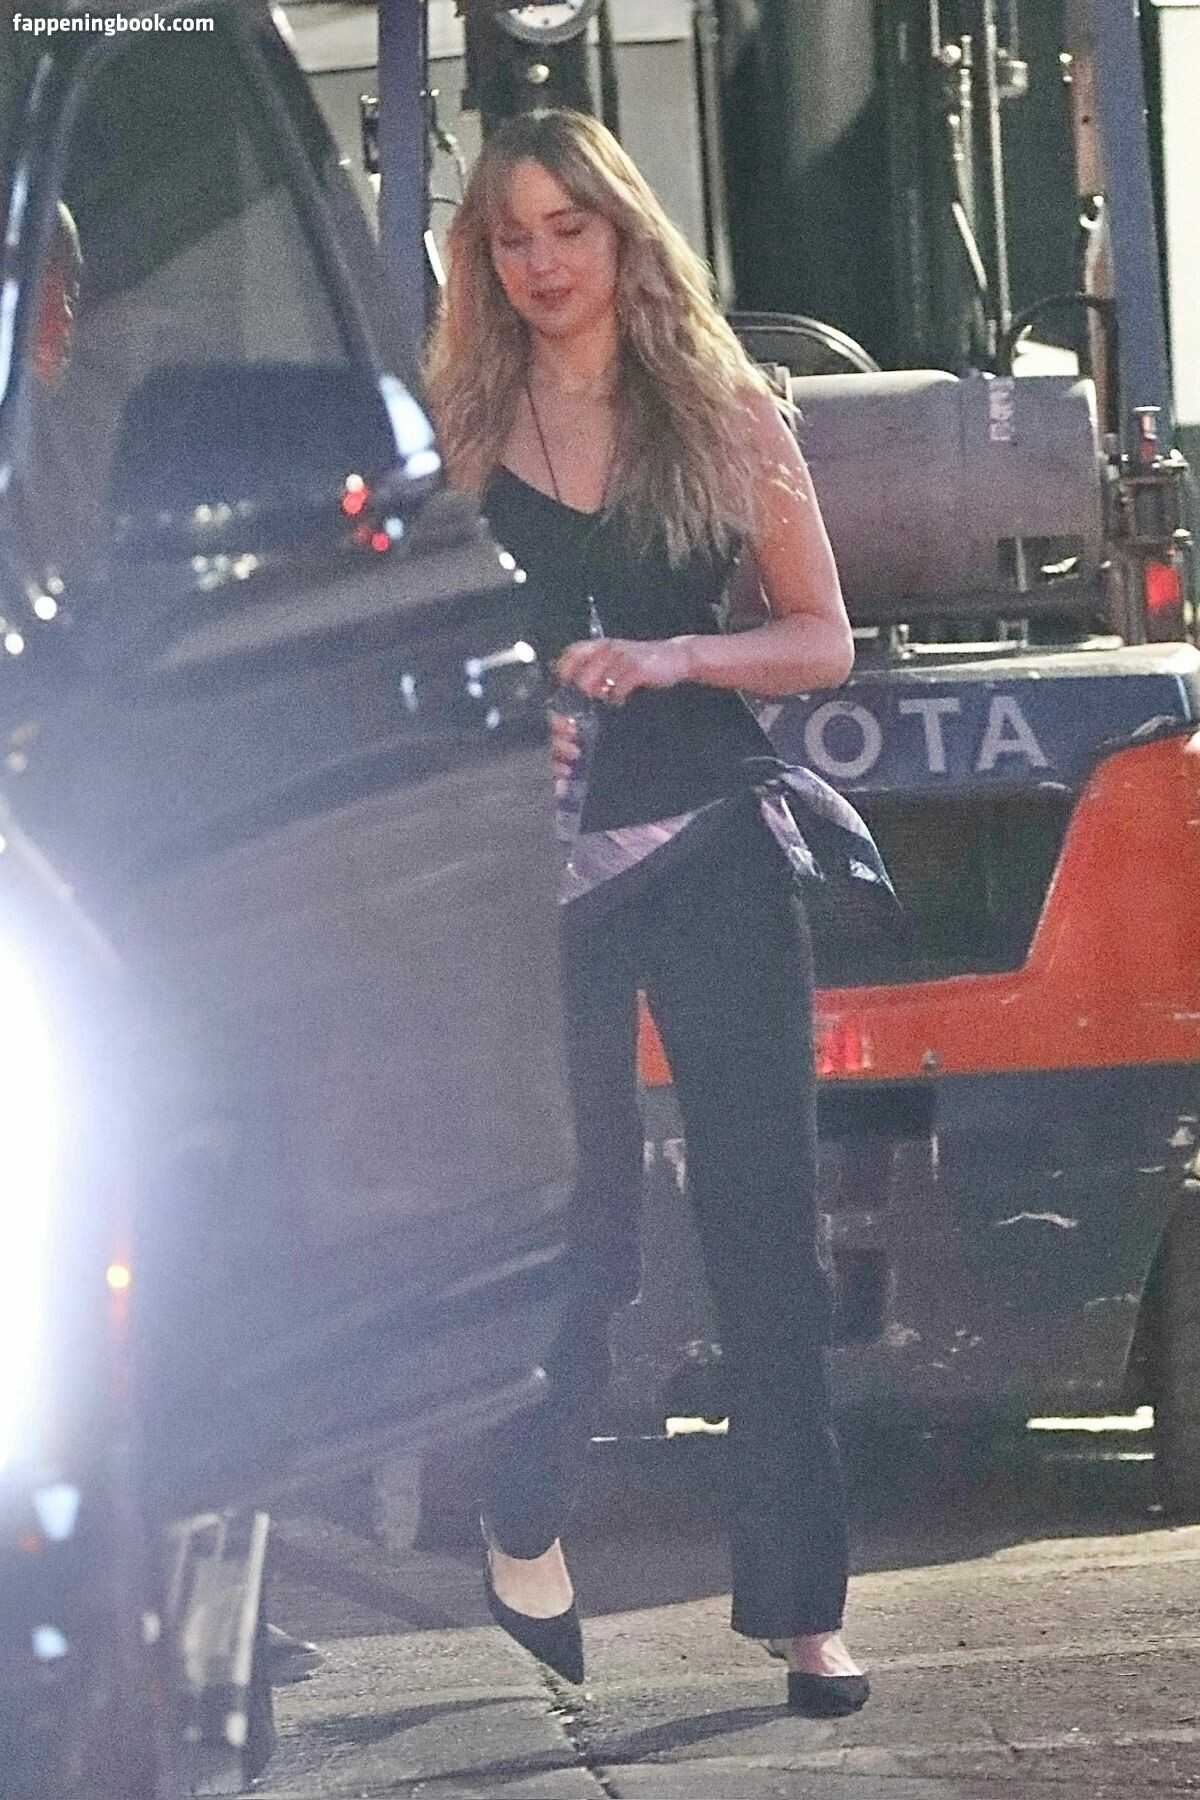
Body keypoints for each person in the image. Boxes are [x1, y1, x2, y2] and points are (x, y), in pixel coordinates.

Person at [425, 108, 867, 1719]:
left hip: (715, 844)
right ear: (483, 256)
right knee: (583, 1232)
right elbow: (412, 653)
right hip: (540, 878)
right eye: (513, 236)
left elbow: (822, 640)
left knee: (765, 1229)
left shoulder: (727, 410)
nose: (543, 263)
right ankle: (525, 1507)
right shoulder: (460, 428)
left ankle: (807, 1618)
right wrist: (497, 715)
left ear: (623, 234)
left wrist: (680, 657)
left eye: (571, 229)